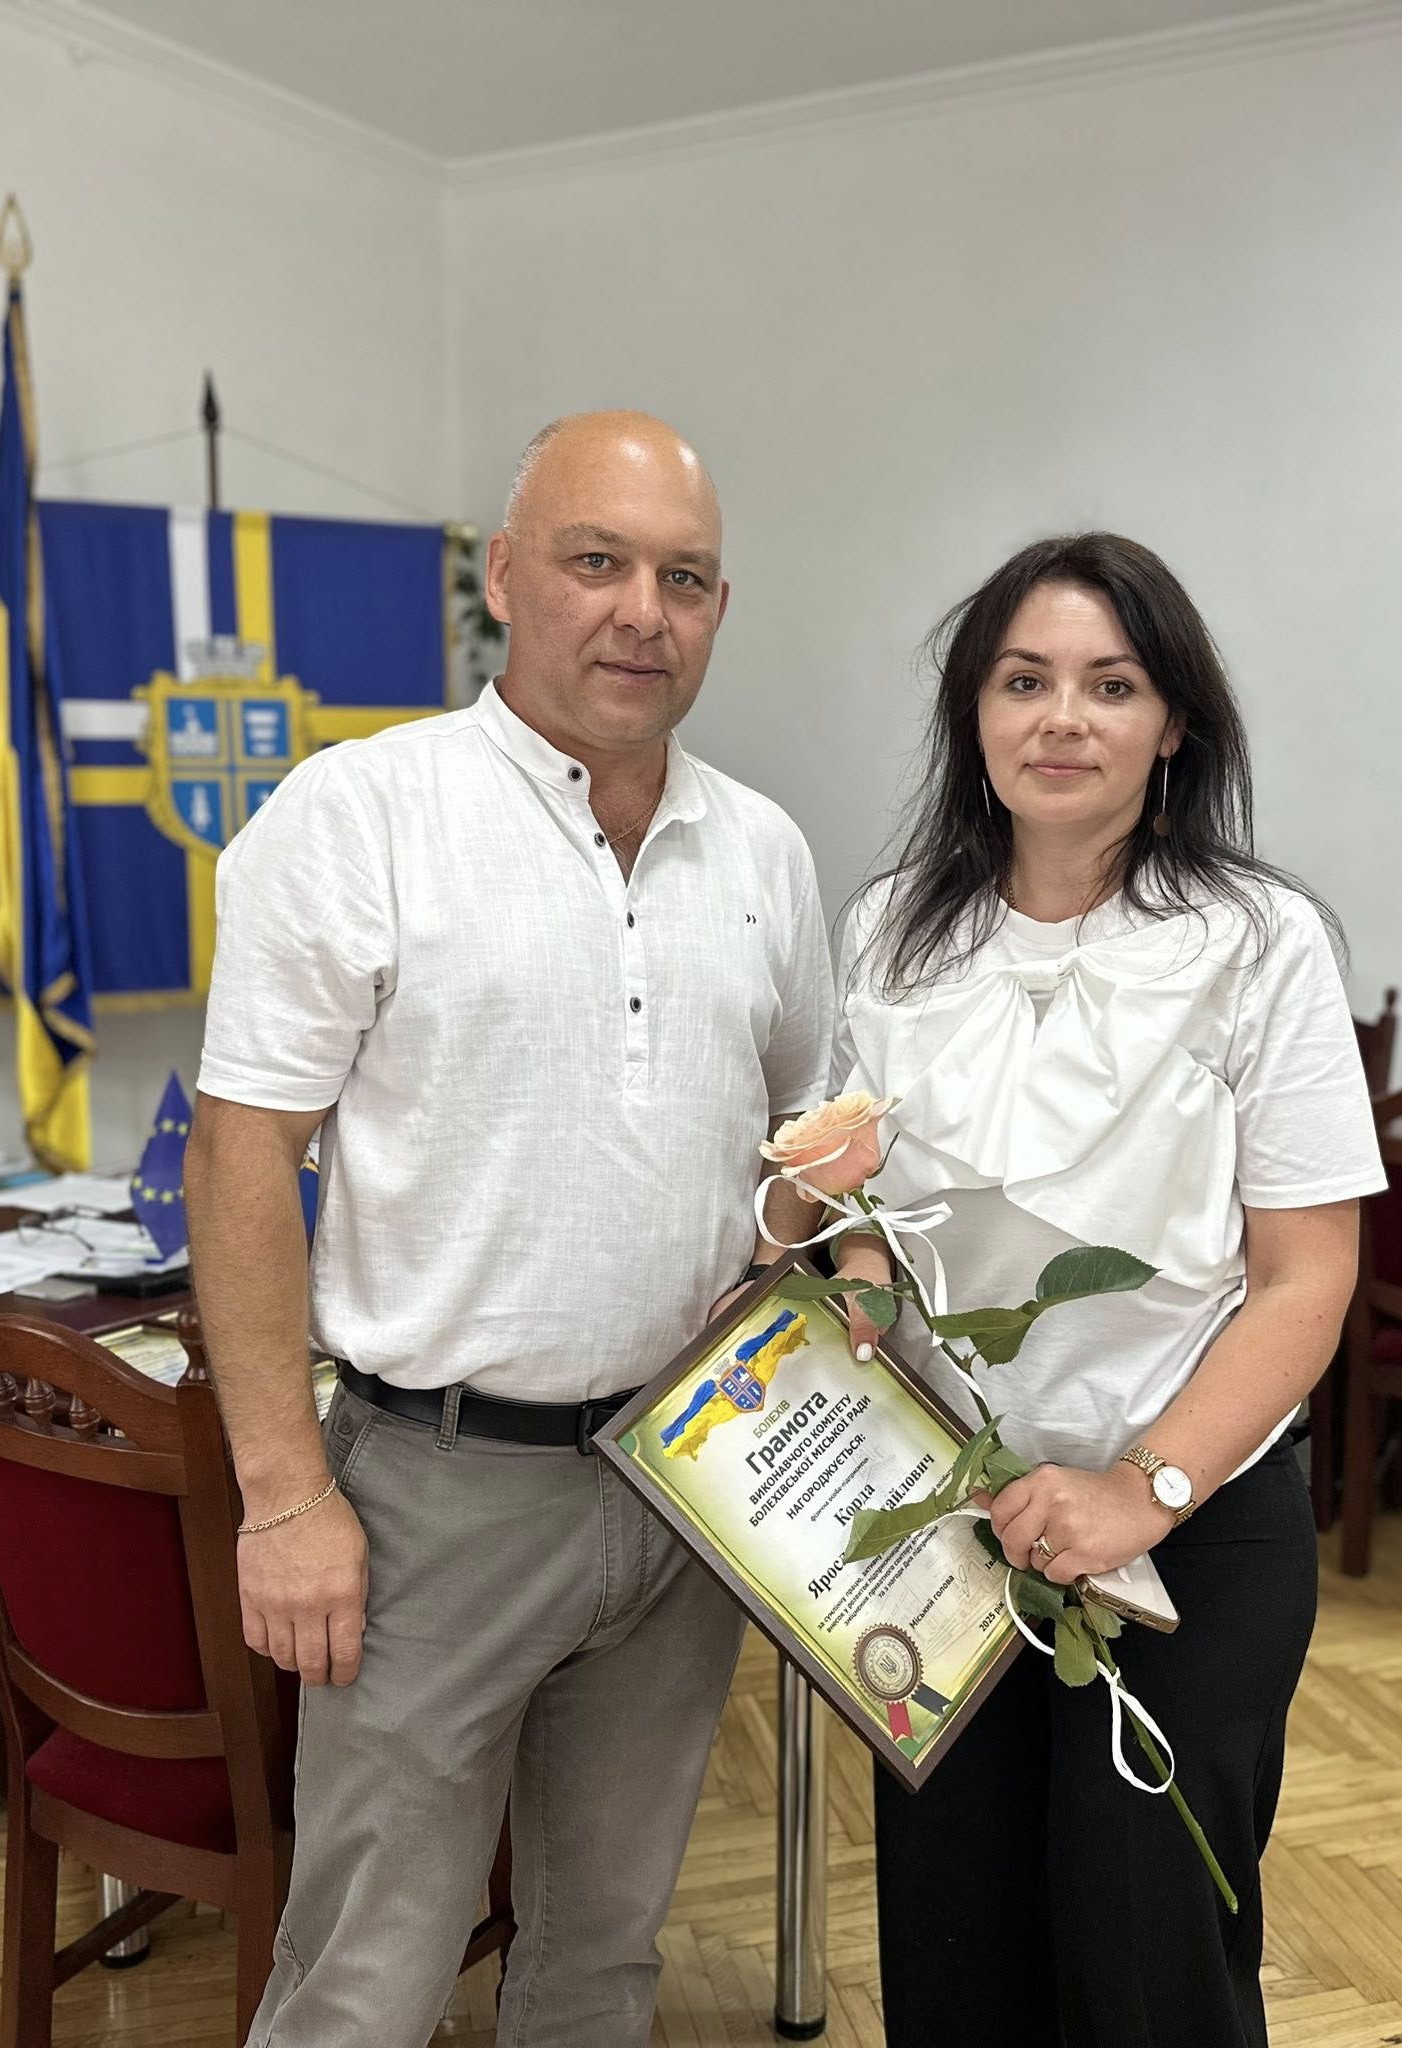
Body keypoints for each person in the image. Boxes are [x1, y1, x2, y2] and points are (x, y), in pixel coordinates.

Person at [186, 411, 833, 2048]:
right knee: (365, 1983)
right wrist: (283, 1499)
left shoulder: (764, 850)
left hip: (683, 1485)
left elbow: (802, 1150)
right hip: (431, 1495)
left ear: (720, 607)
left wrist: (833, 1263)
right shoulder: (361, 814)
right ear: (499, 576)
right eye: (596, 561)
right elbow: (243, 1155)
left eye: (683, 578)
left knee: (602, 1959)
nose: (641, 612)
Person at [829, 533, 1384, 2048]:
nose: (1062, 718)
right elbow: (862, 1197)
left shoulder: (1256, 944)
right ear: (974, 712)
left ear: (1174, 721)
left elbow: (1307, 1277)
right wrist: (856, 1275)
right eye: (1024, 681)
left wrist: (1143, 1488)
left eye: (1111, 684)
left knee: (1149, 1966)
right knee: (954, 1953)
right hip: (950, 1531)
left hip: (1191, 1528)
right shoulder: (890, 932)